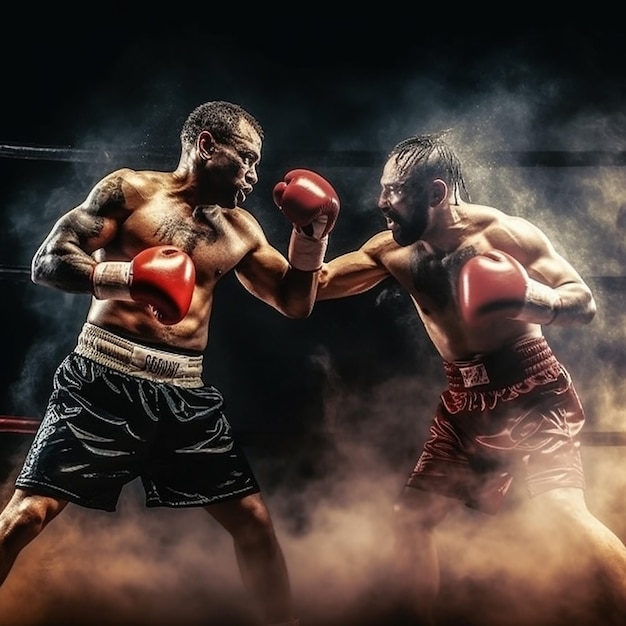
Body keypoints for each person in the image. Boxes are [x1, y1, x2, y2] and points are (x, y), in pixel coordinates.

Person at [0, 100, 340, 626]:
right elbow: (47, 262)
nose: (253, 176)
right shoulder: (130, 191)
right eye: (246, 159)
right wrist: (127, 280)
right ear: (206, 145)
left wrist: (311, 235)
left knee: (253, 524)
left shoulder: (242, 230)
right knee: (25, 516)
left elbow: (295, 302)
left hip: (184, 395)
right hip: (102, 380)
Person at [315, 131, 626, 624]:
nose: (381, 202)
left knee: (564, 515)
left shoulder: (503, 234)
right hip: (465, 402)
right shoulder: (391, 251)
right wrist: (310, 236)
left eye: (394, 190)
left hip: (532, 390)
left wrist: (528, 298)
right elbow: (315, 287)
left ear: (436, 193)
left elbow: (582, 301)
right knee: (410, 521)